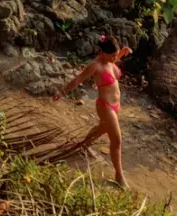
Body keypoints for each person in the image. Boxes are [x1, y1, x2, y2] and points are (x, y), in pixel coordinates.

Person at [52, 35, 132, 190]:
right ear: (102, 53)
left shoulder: (109, 61)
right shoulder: (95, 66)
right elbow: (77, 80)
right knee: (116, 141)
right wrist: (62, 92)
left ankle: (83, 145)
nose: (115, 58)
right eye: (113, 55)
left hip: (116, 106)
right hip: (105, 106)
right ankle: (119, 175)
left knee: (101, 129)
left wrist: (122, 52)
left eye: (116, 55)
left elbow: (113, 62)